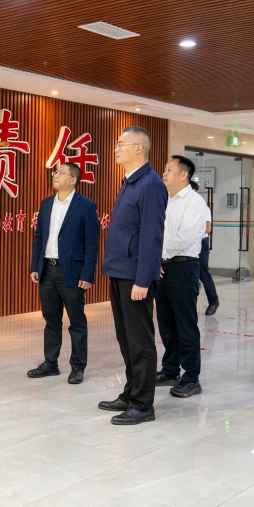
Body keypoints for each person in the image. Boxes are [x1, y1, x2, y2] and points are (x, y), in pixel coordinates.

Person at [98, 126, 168, 424]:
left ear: (138, 148)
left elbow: (152, 235)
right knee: (126, 339)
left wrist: (143, 278)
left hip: (134, 276)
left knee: (140, 341)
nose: (116, 149)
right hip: (119, 270)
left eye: (121, 144)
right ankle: (130, 392)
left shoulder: (151, 184)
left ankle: (143, 405)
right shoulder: (129, 182)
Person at [28, 162, 100, 384]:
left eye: (61, 172)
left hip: (72, 272)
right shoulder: (46, 203)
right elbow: (39, 237)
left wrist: (87, 274)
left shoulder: (86, 205)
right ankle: (50, 363)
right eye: (55, 172)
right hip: (47, 270)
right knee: (51, 319)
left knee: (76, 322)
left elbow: (92, 243)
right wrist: (35, 266)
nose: (56, 175)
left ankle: (78, 367)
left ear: (73, 179)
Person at [154, 156, 205, 397]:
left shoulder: (194, 201)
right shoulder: (166, 200)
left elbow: (184, 238)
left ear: (184, 175)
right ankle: (170, 369)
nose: (164, 173)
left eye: (169, 169)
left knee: (185, 325)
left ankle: (192, 377)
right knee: (166, 324)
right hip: (162, 268)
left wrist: (159, 255)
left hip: (183, 268)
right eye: (164, 169)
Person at [190, 181, 220, 316]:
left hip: (201, 242)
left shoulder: (202, 206)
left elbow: (208, 228)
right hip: (189, 242)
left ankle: (213, 301)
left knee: (203, 273)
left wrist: (192, 232)